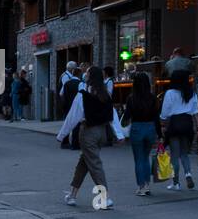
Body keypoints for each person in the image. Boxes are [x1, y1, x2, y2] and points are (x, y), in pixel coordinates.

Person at [57, 67, 115, 209]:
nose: (85, 75)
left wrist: (62, 134)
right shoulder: (106, 95)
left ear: (90, 77)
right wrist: (119, 134)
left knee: (94, 164)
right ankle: (72, 195)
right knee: (84, 162)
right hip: (101, 132)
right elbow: (114, 117)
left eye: (87, 73)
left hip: (87, 132)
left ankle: (104, 197)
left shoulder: (83, 95)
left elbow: (72, 117)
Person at [159, 68, 198, 191]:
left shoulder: (170, 93)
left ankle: (176, 183)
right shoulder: (191, 93)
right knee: (184, 154)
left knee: (174, 155)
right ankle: (188, 174)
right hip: (187, 124)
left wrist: (162, 125)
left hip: (174, 125)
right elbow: (195, 112)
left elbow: (164, 113)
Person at [122, 72, 160, 197]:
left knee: (138, 159)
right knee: (145, 157)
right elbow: (156, 117)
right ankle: (147, 184)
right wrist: (159, 134)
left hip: (137, 128)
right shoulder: (153, 98)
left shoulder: (131, 98)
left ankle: (141, 186)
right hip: (150, 127)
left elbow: (126, 117)